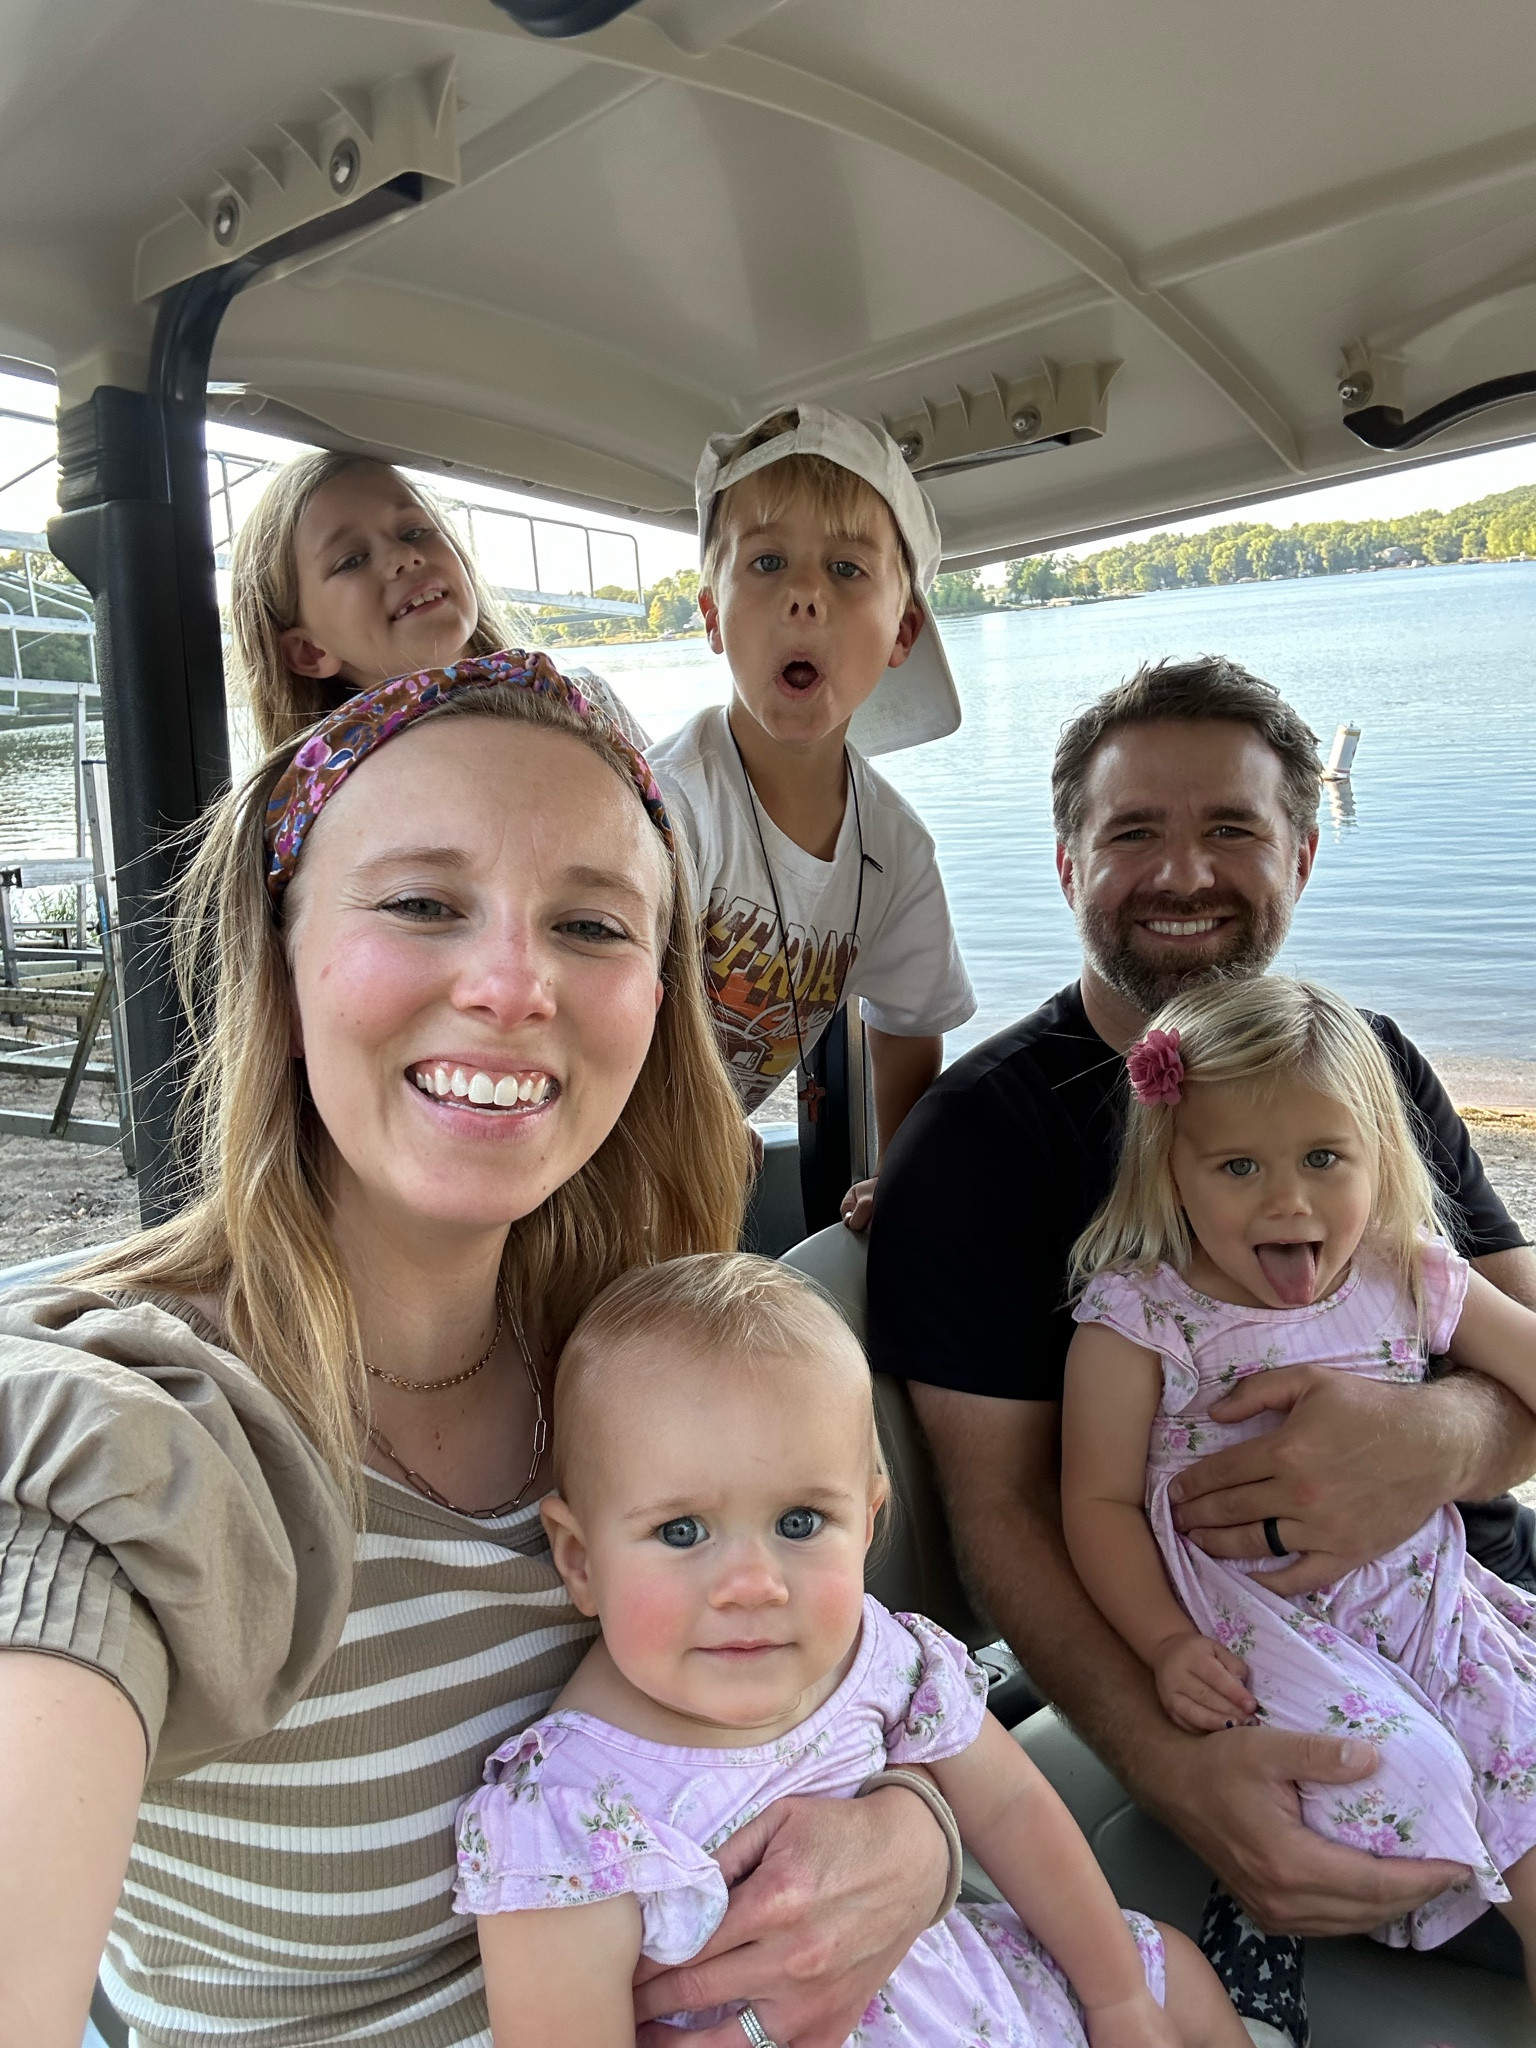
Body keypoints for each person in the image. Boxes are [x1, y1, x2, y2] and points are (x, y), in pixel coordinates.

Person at [0, 653, 955, 2048]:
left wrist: (912, 1842)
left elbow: (852, 1681)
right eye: (422, 905)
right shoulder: (136, 1436)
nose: (513, 984)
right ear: (279, 951)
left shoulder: (638, 1355)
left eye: (590, 924)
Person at [867, 657, 1536, 2034]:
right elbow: (1002, 1516)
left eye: (1231, 828)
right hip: (1254, 1658)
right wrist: (1183, 1769)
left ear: (1301, 850)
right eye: (1133, 833)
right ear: (1065, 866)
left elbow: (1514, 1339)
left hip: (1475, 1596)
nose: (1184, 871)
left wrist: (1436, 1440)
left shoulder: (1372, 1067)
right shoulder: (981, 1147)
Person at [456, 1252, 1250, 2048]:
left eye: (799, 1523)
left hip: (979, 1998)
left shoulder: (879, 1659)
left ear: (867, 1524)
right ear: (581, 1561)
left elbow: (1010, 1807)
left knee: (1171, 1972)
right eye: (681, 1531)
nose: (753, 1585)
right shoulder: (571, 1816)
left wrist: (1117, 2001)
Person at [1062, 977, 1536, 1986]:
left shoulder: (1410, 1269)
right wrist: (1164, 1640)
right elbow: (1094, 1501)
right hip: (1258, 1632)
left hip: (1438, 1611)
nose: (1289, 1199)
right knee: (1403, 1781)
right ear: (1172, 1171)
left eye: (1325, 1158)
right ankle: (1261, 1930)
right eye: (1238, 1164)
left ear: (1377, 1152)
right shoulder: (1139, 1316)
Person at [648, 405, 975, 1226]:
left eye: (846, 569)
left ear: (903, 631)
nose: (802, 595)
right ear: (713, 616)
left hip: (696, 1178)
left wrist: (898, 1176)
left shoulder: (895, 851)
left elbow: (909, 1021)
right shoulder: (669, 806)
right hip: (604, 1147)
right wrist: (693, 1127)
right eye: (766, 562)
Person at [231, 448, 644, 751]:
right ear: (308, 651)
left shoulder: (588, 701)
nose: (403, 557)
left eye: (414, 532)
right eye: (352, 560)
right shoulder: (350, 799)